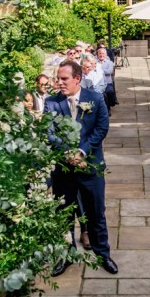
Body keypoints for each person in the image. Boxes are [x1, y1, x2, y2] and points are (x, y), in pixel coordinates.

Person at [44, 60, 117, 275]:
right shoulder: (51, 102)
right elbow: (49, 133)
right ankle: (66, 255)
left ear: (77, 78)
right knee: (64, 214)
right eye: (58, 78)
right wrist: (68, 153)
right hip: (63, 170)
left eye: (64, 79)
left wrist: (82, 151)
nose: (60, 82)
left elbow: (102, 127)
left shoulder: (95, 98)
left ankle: (102, 254)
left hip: (91, 167)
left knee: (96, 212)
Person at [95, 44, 116, 111]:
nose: (101, 55)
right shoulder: (94, 62)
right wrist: (104, 70)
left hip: (107, 83)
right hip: (97, 83)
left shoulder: (109, 62)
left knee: (110, 92)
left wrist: (99, 70)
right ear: (97, 54)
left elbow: (109, 72)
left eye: (103, 53)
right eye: (100, 53)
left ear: (106, 55)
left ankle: (109, 105)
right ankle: (105, 109)